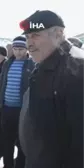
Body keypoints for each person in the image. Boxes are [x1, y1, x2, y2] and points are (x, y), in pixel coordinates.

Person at [19, 10, 84, 168]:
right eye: (27, 37)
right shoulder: (45, 63)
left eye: (35, 35)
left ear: (58, 34)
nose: (29, 44)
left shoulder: (76, 67)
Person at [0, 36, 34, 168]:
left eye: (21, 49)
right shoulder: (8, 63)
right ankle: (8, 165)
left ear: (26, 49)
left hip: (23, 110)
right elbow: (1, 83)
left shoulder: (31, 64)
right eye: (15, 49)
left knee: (22, 142)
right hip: (7, 108)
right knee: (7, 140)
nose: (18, 52)